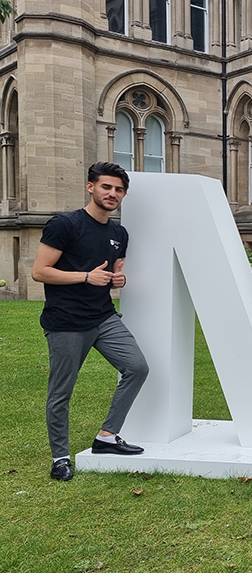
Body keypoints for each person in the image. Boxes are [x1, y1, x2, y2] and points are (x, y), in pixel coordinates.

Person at [31, 162, 150, 482]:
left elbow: (111, 273)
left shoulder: (118, 233)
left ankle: (107, 437)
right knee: (61, 391)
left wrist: (117, 279)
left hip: (103, 317)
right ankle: (60, 458)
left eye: (119, 189)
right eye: (106, 187)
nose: (112, 194)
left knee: (137, 367)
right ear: (91, 187)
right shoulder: (65, 224)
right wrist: (86, 276)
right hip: (67, 322)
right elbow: (40, 271)